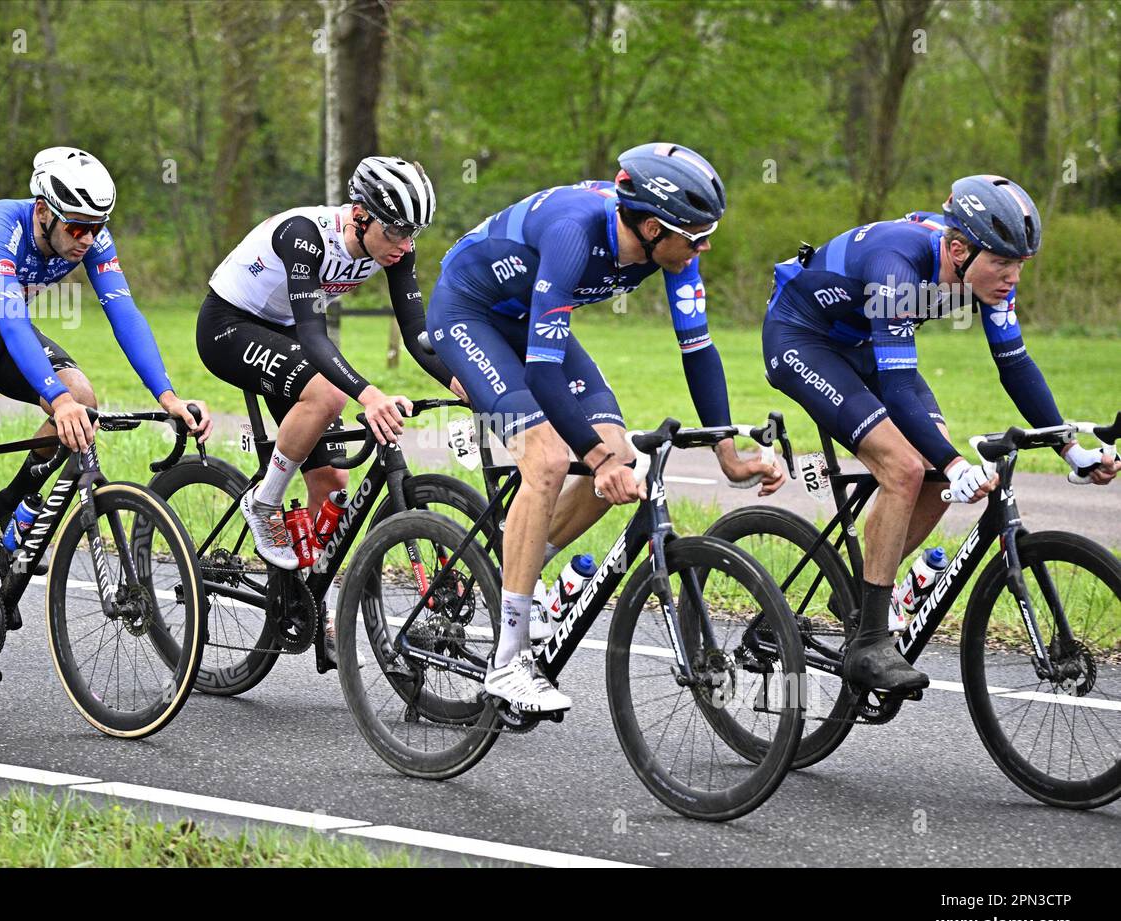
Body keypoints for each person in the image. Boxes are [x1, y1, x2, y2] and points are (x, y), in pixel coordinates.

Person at [426, 142, 784, 713]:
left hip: (530, 321)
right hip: (468, 314)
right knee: (545, 462)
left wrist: (726, 451)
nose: (703, 247)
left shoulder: (670, 249)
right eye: (694, 237)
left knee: (629, 457)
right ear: (649, 226)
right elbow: (542, 371)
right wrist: (594, 459)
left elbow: (698, 350)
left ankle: (517, 571)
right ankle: (507, 661)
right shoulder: (573, 234)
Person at [761, 174, 1117, 694]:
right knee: (907, 467)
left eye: (1020, 264)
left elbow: (1014, 365)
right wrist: (955, 462)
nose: (1012, 276)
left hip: (863, 341)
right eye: (1002, 262)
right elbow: (901, 383)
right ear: (957, 250)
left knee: (934, 476)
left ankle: (862, 595)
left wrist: (1070, 448)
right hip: (802, 338)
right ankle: (870, 643)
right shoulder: (898, 266)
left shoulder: (986, 277)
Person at [0, 146, 212, 686]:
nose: (86, 240)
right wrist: (54, 396)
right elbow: (11, 316)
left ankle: (13, 504)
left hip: (3, 336)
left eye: (97, 227)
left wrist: (167, 395)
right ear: (43, 210)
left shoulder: (87, 235)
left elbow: (123, 312)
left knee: (82, 394)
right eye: (76, 228)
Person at [198, 155, 464, 571]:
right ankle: (264, 503)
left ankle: (302, 599)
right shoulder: (304, 235)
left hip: (285, 328)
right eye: (396, 230)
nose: (405, 245)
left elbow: (417, 334)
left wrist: (464, 383)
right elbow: (314, 336)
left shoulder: (395, 250)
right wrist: (370, 395)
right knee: (328, 396)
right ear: (360, 216)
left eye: (414, 233)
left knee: (332, 481)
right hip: (228, 324)